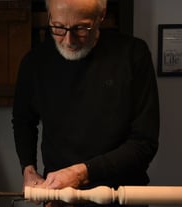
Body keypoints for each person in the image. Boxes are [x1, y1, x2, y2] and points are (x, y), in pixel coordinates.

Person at [12, 0, 159, 206]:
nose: (69, 40)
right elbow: (23, 121)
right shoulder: (35, 62)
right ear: (49, 16)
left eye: (81, 28)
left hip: (123, 194)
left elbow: (144, 144)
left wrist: (80, 173)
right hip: (60, 198)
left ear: (101, 16)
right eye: (58, 27)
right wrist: (28, 169)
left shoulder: (133, 55)